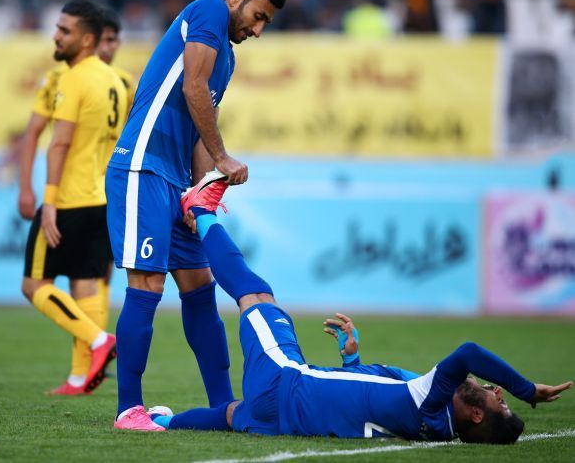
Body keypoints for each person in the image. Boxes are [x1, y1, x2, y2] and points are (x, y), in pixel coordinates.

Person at [147, 174, 573, 442]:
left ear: (476, 415)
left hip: (285, 382)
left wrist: (526, 390)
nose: (497, 393)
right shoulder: (433, 426)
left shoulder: (433, 402)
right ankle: (162, 424)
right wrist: (352, 360)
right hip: (286, 417)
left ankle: (199, 208)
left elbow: (469, 354)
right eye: (504, 397)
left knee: (256, 296)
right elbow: (367, 400)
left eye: (499, 403)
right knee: (231, 415)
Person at [106, 0, 286, 431]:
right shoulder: (208, 11)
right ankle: (129, 410)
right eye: (259, 16)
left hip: (175, 179)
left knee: (200, 289)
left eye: (266, 23)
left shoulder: (227, 58)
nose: (259, 30)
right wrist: (224, 159)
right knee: (147, 285)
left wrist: (199, 192)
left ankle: (224, 408)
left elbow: (202, 127)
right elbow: (192, 87)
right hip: (143, 164)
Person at [13, 5, 135, 395]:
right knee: (87, 284)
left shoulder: (72, 79)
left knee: (34, 285)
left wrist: (48, 200)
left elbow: (59, 142)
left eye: (64, 30)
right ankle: (81, 377)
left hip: (69, 198)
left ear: (86, 39)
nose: (56, 35)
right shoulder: (117, 81)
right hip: (103, 197)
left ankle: (100, 341)